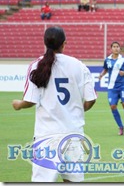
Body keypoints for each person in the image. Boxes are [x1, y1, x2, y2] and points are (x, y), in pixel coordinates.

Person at [12, 26, 97, 182]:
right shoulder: (79, 65)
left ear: (45, 43)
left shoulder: (37, 65)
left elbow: (30, 101)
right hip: (73, 137)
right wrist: (77, 111)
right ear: (64, 43)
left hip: (46, 137)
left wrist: (18, 104)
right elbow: (91, 99)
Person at [98, 41, 124, 135]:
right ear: (111, 49)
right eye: (114, 46)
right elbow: (106, 69)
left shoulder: (123, 60)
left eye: (117, 46)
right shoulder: (107, 60)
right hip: (112, 88)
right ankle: (121, 127)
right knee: (113, 106)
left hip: (123, 86)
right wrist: (102, 74)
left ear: (120, 49)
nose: (116, 48)